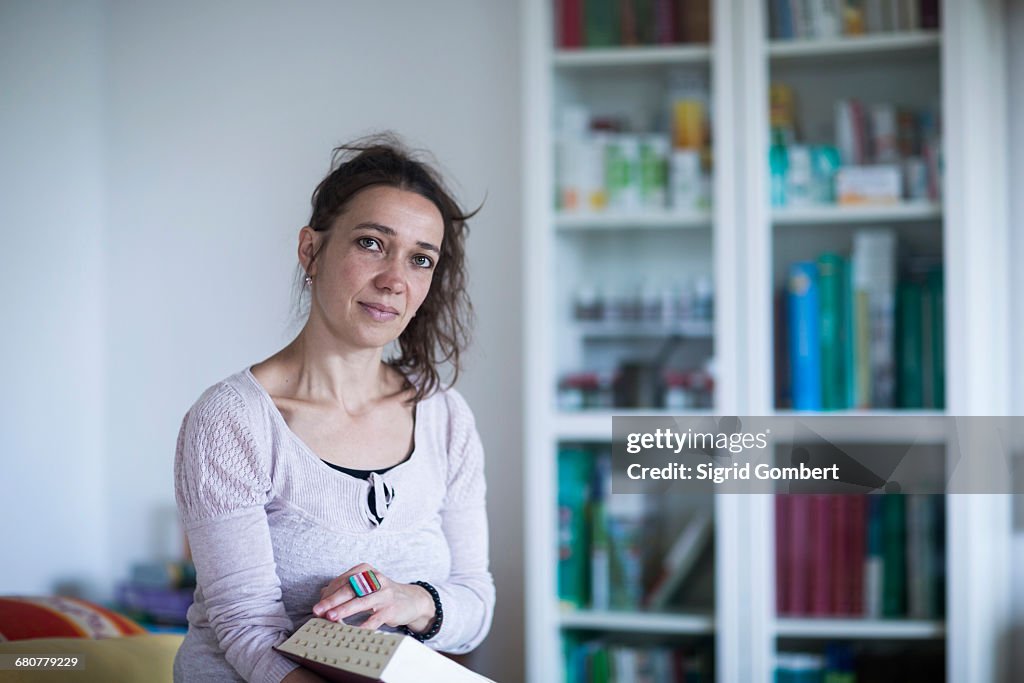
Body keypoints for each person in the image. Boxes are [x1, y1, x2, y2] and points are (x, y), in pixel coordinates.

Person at [172, 134, 495, 683]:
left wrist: (411, 601)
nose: (395, 280)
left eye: (421, 259)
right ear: (310, 251)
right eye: (372, 243)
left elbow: (475, 608)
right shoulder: (231, 421)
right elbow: (248, 630)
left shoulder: (445, 416)